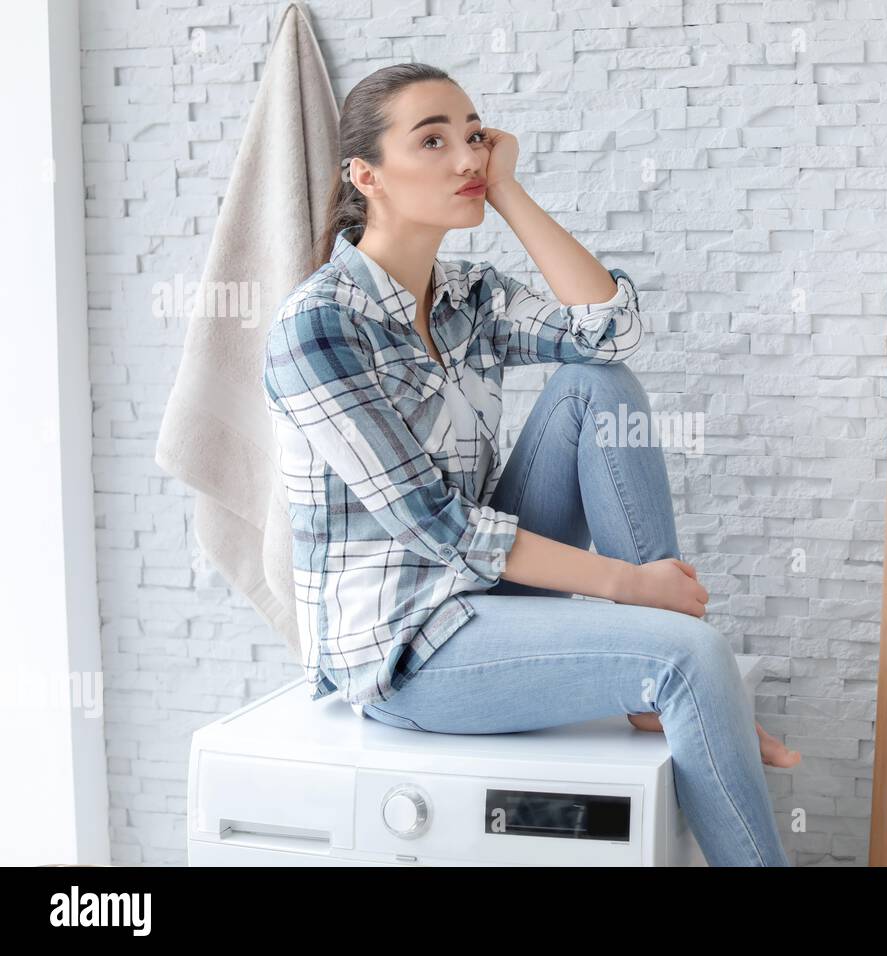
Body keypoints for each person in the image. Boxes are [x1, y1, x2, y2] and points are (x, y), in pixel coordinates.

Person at [263, 63, 796, 866]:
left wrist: (507, 194)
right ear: (365, 175)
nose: (466, 157)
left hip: (477, 589)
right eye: (433, 140)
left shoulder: (468, 295)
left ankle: (670, 680)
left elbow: (609, 332)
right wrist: (628, 587)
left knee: (595, 385)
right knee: (690, 656)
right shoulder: (318, 326)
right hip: (403, 647)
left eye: (473, 135)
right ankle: (678, 673)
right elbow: (434, 524)